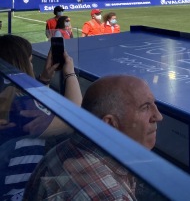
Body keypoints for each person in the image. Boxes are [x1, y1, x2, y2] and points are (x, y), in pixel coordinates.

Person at [24, 75, 164, 200]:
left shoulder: (60, 151)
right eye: (145, 107)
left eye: (154, 104)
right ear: (109, 125)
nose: (158, 116)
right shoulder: (110, 195)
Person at [0, 34, 82, 200]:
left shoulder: (7, 99)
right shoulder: (19, 107)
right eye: (30, 61)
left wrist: (44, 79)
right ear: (20, 65)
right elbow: (74, 118)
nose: (31, 65)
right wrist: (70, 73)